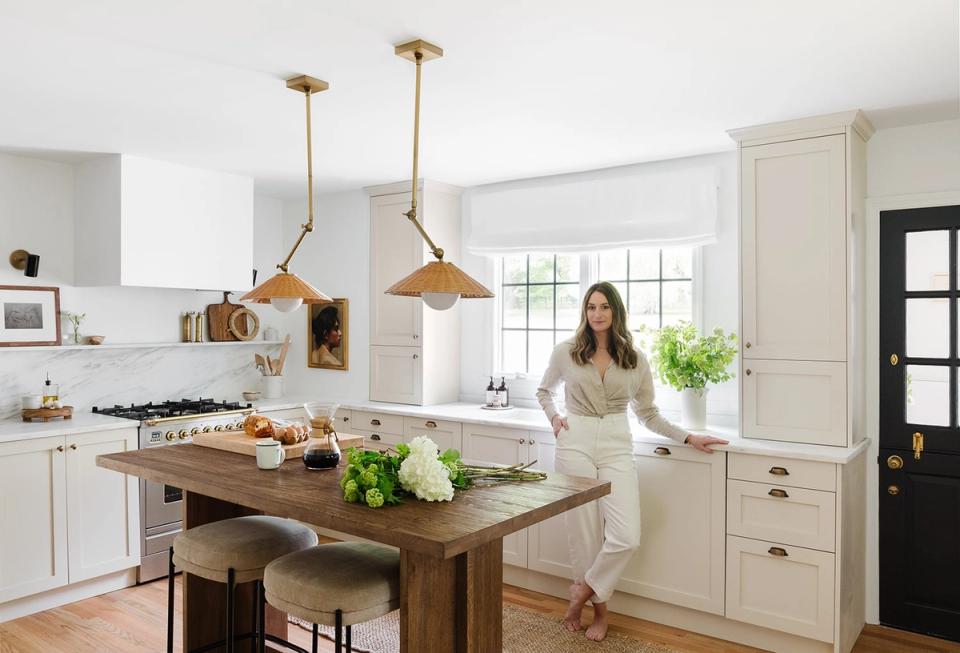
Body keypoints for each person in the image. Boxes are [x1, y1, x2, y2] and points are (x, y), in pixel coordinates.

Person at [537, 281, 727, 642]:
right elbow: (544, 390)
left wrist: (688, 437)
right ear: (584, 312)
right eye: (591, 307)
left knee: (626, 536)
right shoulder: (566, 352)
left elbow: (648, 413)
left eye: (604, 307)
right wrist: (554, 418)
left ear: (616, 311)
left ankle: (582, 591)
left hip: (616, 441)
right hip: (575, 439)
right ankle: (600, 612)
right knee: (584, 532)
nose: (597, 314)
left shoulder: (635, 359)